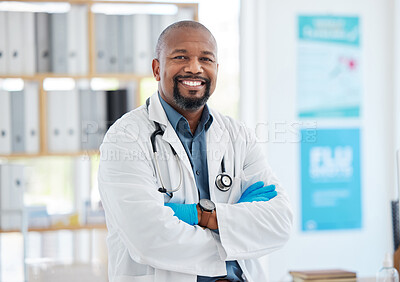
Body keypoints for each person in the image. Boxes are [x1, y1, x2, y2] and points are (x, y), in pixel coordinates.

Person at [98, 20, 293, 282]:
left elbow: (279, 222)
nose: (194, 68)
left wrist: (198, 215)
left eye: (206, 59)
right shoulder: (124, 139)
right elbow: (149, 238)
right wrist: (234, 231)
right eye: (180, 57)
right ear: (157, 69)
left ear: (216, 69)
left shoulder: (238, 136)